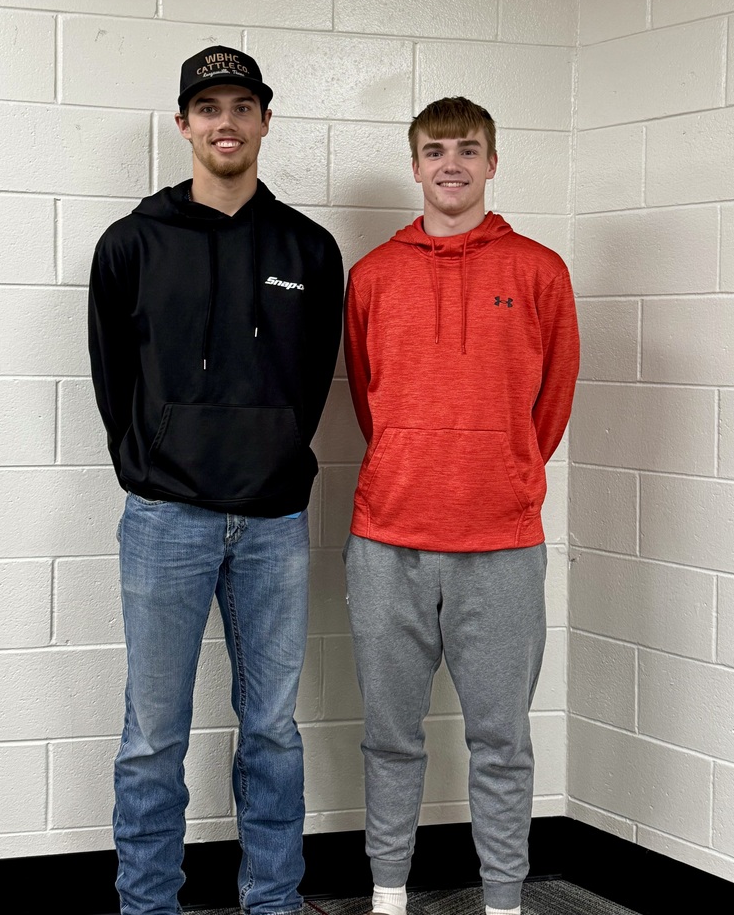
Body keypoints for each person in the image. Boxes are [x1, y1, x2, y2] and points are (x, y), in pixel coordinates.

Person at [88, 46, 344, 915]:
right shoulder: (132, 242)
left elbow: (310, 384)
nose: (224, 122)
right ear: (184, 123)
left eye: (241, 106)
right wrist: (152, 471)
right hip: (166, 521)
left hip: (272, 524)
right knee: (153, 736)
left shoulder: (310, 247)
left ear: (266, 121)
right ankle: (147, 904)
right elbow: (111, 376)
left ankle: (273, 903)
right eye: (208, 108)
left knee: (271, 730)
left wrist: (270, 458)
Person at [343, 97, 579, 915]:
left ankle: (506, 900)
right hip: (387, 543)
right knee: (390, 737)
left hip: (502, 546)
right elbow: (369, 403)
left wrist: (495, 470)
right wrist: (419, 458)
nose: (451, 164)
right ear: (414, 166)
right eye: (435, 151)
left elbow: (550, 407)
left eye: (468, 150)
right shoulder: (372, 275)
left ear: (492, 162)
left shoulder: (540, 270)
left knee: (502, 742)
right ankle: (387, 894)